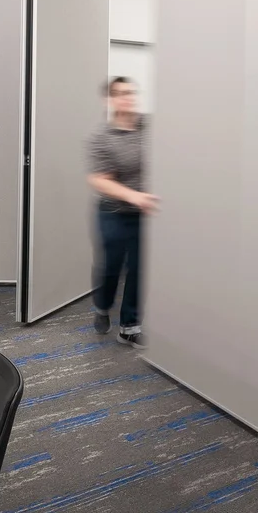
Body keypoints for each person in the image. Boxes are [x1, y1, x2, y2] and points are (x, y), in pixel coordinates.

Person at [87, 76, 156, 346]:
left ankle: (129, 327)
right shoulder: (101, 138)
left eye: (131, 92)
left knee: (139, 268)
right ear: (110, 100)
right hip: (112, 212)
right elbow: (100, 180)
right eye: (121, 93)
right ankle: (102, 306)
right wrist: (133, 195)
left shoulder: (148, 126)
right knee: (110, 268)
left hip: (143, 213)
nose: (128, 98)